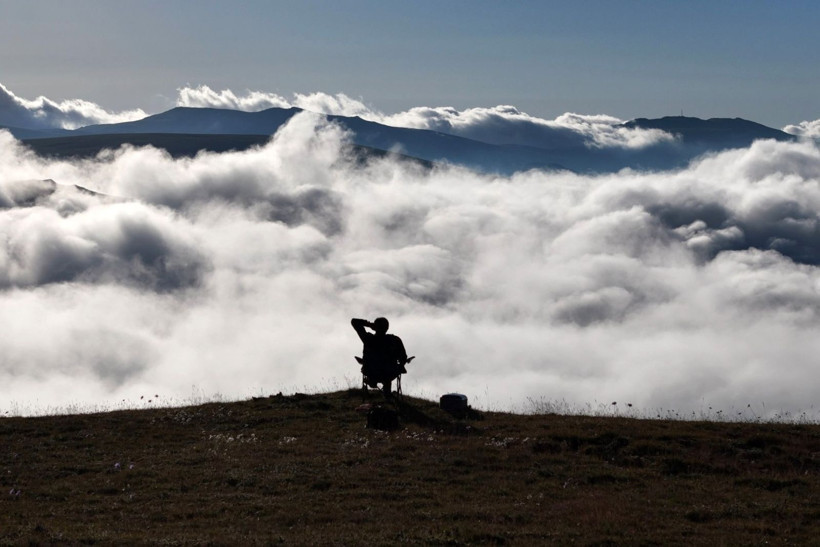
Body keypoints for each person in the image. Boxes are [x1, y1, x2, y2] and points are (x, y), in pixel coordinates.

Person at [351, 317, 410, 396]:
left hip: (370, 372)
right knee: (388, 370)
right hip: (390, 373)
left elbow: (354, 321)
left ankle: (372, 381)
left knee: (377, 367)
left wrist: (369, 324)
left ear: (375, 327)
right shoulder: (395, 340)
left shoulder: (368, 339)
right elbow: (403, 357)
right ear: (387, 327)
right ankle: (387, 393)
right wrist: (402, 363)